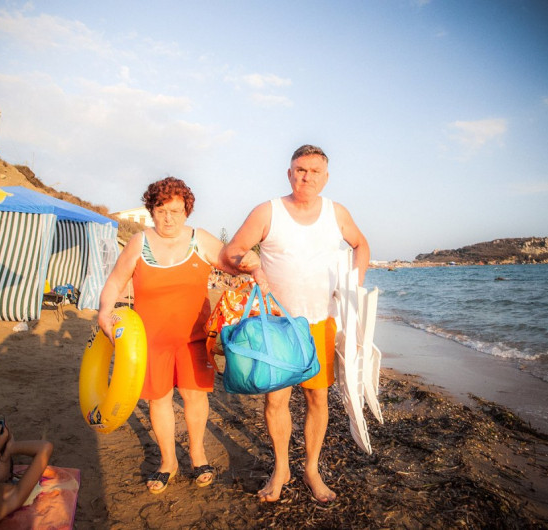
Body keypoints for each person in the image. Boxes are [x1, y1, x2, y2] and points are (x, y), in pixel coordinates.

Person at [222, 144, 370, 504]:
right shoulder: (268, 211)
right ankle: (282, 467)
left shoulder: (336, 212)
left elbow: (361, 245)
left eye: (314, 172)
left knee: (317, 397)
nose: (306, 177)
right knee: (276, 399)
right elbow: (233, 250)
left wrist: (354, 283)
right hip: (277, 324)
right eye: (300, 170)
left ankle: (312, 469)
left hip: (320, 321)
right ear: (290, 173)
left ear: (325, 177)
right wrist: (253, 264)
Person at [97, 176, 257, 494]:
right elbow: (115, 281)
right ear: (151, 211)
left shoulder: (200, 239)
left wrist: (250, 262)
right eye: (161, 210)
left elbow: (230, 260)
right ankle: (168, 461)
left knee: (195, 397)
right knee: (159, 401)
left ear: (186, 211)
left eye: (175, 210)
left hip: (193, 338)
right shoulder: (138, 243)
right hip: (150, 341)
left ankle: (198, 456)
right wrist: (104, 310)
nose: (168, 218)